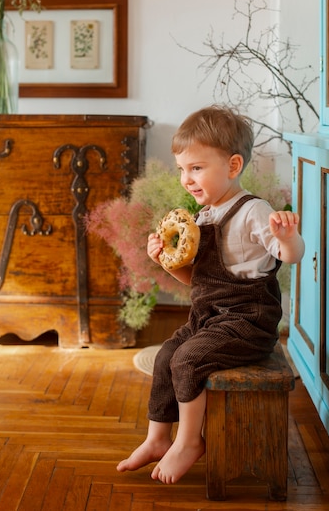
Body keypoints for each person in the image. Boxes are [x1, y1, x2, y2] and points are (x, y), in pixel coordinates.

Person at [116, 105, 305, 485]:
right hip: (209, 317)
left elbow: (290, 255)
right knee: (167, 355)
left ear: (233, 166)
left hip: (248, 321)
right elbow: (197, 280)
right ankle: (157, 438)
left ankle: (189, 442)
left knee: (187, 360)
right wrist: (165, 261)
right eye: (182, 169)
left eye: (197, 168)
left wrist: (287, 237)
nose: (187, 179)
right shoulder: (202, 218)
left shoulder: (253, 211)